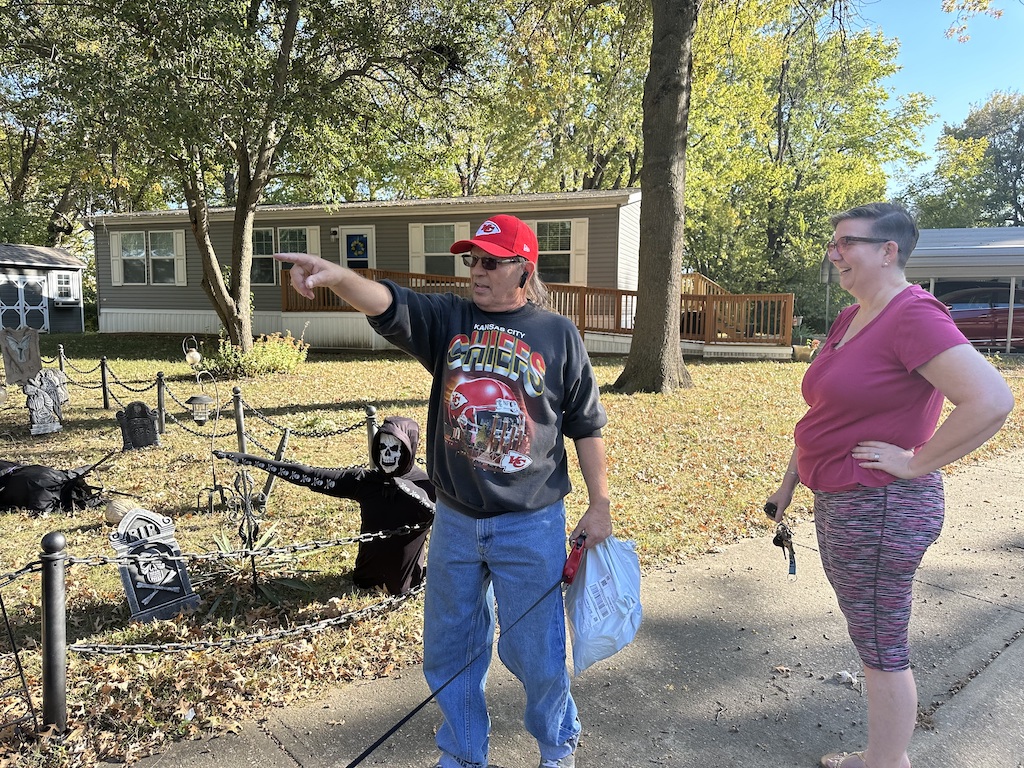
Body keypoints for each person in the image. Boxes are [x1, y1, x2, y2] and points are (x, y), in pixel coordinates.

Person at [276, 213, 612, 768]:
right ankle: (461, 753)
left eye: (489, 262)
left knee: (538, 654)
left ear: (523, 270)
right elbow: (389, 302)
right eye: (471, 260)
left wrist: (600, 504)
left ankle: (557, 749)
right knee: (450, 649)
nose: (475, 272)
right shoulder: (452, 320)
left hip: (531, 522)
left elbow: (586, 425)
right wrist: (338, 278)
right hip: (455, 518)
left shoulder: (558, 335)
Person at [766, 203, 1014, 768]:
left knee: (881, 647)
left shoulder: (912, 316)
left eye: (846, 243)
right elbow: (826, 416)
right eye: (833, 244)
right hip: (843, 500)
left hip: (880, 507)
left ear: (888, 250)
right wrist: (790, 482)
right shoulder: (853, 316)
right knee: (872, 635)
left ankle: (885, 763)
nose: (834, 254)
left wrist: (915, 462)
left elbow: (992, 400)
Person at [215, 415, 435, 595]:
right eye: (382, 447)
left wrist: (414, 495)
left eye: (394, 448)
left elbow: (442, 517)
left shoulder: (425, 485)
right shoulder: (366, 482)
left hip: (405, 586)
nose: (386, 455)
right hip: (364, 580)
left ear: (408, 450)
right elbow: (310, 476)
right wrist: (251, 460)